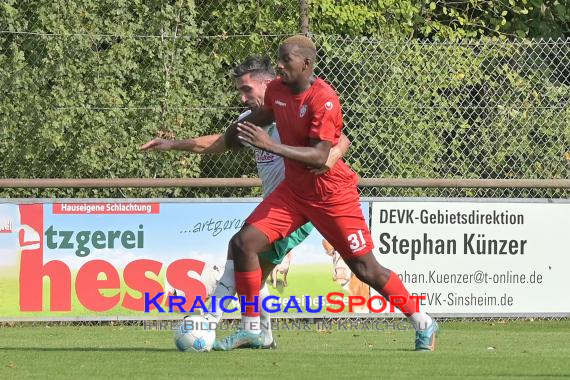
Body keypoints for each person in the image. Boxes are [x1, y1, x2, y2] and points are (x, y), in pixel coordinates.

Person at [214, 35, 439, 352]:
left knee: (366, 270)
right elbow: (257, 119)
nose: (279, 65)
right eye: (278, 58)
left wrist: (271, 145)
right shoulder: (277, 90)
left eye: (285, 60)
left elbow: (321, 156)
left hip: (332, 194)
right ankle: (252, 329)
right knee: (242, 243)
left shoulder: (325, 100)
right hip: (294, 192)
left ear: (305, 64)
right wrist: (233, 134)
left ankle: (424, 322)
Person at [141, 55, 350, 349]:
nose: (242, 98)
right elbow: (218, 142)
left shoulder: (293, 112)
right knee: (252, 271)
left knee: (242, 252)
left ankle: (209, 321)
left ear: (268, 84)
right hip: (276, 208)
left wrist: (334, 155)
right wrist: (173, 144)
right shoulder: (251, 123)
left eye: (247, 90)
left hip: (299, 208)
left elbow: (340, 139)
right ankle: (262, 336)